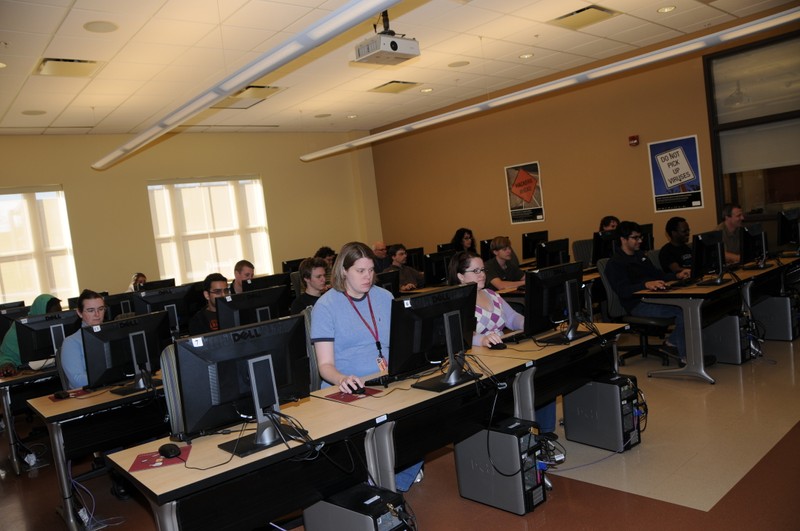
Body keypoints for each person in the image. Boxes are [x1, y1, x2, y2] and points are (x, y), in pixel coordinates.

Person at [310, 242, 422, 491]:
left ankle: (392, 480)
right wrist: (341, 378)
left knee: (426, 421)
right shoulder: (326, 306)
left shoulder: (384, 297)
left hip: (386, 382)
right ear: (343, 271)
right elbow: (325, 365)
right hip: (350, 389)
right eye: (360, 271)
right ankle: (383, 485)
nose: (368, 277)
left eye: (371, 270)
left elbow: (401, 343)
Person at [448, 251, 556, 434]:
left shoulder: (491, 294)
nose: (482, 274)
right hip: (481, 361)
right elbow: (458, 334)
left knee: (542, 376)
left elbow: (512, 318)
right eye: (475, 271)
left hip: (502, 352)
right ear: (460, 276)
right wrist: (481, 339)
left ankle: (545, 431)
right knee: (522, 384)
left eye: (482, 269)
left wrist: (529, 322)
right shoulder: (458, 301)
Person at [604, 221, 697, 365]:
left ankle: (672, 343)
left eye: (640, 237)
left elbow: (657, 274)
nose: (640, 241)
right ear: (623, 239)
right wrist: (645, 284)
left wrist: (677, 275)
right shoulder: (615, 263)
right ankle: (686, 358)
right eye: (635, 238)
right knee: (682, 310)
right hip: (637, 304)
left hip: (653, 297)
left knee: (690, 304)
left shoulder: (640, 256)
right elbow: (623, 291)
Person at [0, 294, 61, 377]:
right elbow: (5, 356)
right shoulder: (19, 329)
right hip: (23, 375)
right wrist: (8, 365)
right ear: (41, 312)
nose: (57, 320)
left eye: (60, 315)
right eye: (52, 316)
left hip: (51, 371)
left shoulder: (59, 329)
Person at [60, 290, 107, 389]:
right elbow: (78, 381)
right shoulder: (71, 342)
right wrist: (110, 377)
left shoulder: (112, 334)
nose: (97, 315)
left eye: (101, 309)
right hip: (89, 396)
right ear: (79, 313)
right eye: (91, 310)